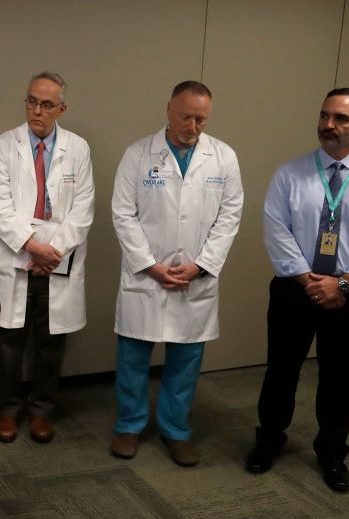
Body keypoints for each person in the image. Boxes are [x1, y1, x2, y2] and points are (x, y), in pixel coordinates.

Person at [246, 88, 349, 493]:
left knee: (338, 377)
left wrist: (344, 281)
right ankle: (269, 440)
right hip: (294, 290)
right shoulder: (290, 173)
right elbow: (275, 229)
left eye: (341, 119)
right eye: (324, 115)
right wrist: (308, 280)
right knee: (281, 369)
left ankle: (332, 452)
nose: (328, 125)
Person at [110, 81, 243, 466]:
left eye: (201, 119)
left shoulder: (223, 158)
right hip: (145, 278)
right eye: (186, 116)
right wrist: (150, 265)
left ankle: (176, 429)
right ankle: (129, 425)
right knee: (133, 357)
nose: (193, 125)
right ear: (168, 109)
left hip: (194, 279)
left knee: (186, 360)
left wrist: (201, 265)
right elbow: (122, 213)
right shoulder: (137, 154)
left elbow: (230, 217)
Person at [0, 72, 94, 444]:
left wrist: (52, 253)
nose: (37, 110)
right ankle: (8, 410)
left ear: (62, 108)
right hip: (16, 256)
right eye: (31, 101)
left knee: (50, 341)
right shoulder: (4, 145)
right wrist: (33, 246)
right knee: (9, 341)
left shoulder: (78, 149)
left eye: (47, 104)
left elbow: (83, 211)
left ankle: (43, 410)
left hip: (57, 261)